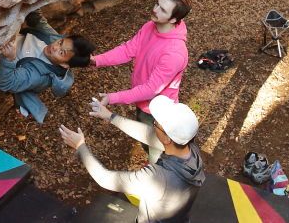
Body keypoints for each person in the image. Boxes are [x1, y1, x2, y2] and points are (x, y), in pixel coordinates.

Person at [59, 95, 205, 223]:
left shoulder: (156, 178)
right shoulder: (192, 151)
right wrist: (111, 116)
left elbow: (106, 179)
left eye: (156, 124)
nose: (153, 125)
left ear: (168, 138)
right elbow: (148, 134)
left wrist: (80, 146)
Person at [90, 0, 191, 163]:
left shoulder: (174, 53)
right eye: (157, 4)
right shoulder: (150, 26)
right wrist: (96, 60)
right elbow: (128, 49)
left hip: (156, 111)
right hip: (143, 101)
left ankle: (158, 172)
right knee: (148, 141)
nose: (155, 10)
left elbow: (150, 90)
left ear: (174, 19)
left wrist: (112, 98)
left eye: (162, 10)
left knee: (156, 148)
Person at [0, 11, 96, 124]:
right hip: (7, 36)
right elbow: (37, 21)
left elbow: (3, 83)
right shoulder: (54, 41)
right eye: (60, 42)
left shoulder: (38, 75)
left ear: (65, 65)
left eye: (61, 53)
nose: (55, 47)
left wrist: (9, 59)